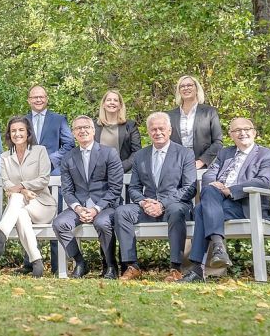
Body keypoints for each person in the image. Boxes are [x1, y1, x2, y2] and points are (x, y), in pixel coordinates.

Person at [179, 118, 270, 283]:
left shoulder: (266, 154)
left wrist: (230, 190)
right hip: (220, 204)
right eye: (237, 130)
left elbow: (263, 181)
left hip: (247, 205)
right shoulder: (225, 153)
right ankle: (218, 247)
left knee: (200, 210)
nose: (242, 133)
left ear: (254, 133)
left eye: (246, 129)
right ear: (231, 135)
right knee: (209, 190)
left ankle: (198, 267)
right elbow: (210, 174)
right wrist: (215, 184)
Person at [114, 112, 197, 282]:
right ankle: (132, 266)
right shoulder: (140, 156)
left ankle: (175, 268)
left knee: (176, 211)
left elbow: (190, 188)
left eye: (161, 129)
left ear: (169, 130)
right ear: (148, 132)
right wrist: (143, 202)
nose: (157, 132)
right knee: (122, 212)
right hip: (148, 206)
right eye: (153, 129)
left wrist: (162, 204)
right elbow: (135, 188)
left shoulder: (185, 154)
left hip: (175, 206)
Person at [0, 116, 57, 278]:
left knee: (16, 199)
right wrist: (22, 193)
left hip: (42, 206)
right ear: (9, 134)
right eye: (13, 131)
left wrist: (22, 186)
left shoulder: (39, 151)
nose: (17, 134)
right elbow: (8, 185)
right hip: (20, 208)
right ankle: (37, 262)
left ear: (28, 132)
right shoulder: (5, 157)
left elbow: (44, 179)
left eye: (21, 130)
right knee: (19, 208)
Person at [53, 115, 123, 279]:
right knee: (59, 223)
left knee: (102, 222)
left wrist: (96, 209)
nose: (82, 130)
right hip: (80, 206)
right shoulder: (68, 157)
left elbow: (115, 188)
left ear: (93, 130)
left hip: (105, 206)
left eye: (86, 127)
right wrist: (78, 208)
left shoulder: (109, 153)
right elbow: (68, 190)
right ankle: (80, 262)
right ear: (73, 133)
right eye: (78, 128)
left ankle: (111, 265)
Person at [24, 85, 73, 274]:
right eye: (34, 97)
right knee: (25, 214)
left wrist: (49, 161)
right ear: (29, 100)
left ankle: (57, 264)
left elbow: (68, 143)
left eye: (41, 97)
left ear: (47, 99)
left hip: (53, 175)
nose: (38, 100)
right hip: (28, 176)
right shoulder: (23, 121)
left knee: (56, 217)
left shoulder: (59, 119)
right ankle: (30, 263)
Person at [168, 75, 223, 169]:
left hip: (202, 166)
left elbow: (218, 142)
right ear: (179, 91)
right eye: (182, 86)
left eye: (189, 85)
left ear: (196, 89)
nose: (186, 88)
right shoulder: (169, 115)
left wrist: (202, 161)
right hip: (175, 165)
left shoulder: (209, 112)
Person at [92, 90, 141, 173]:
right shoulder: (93, 126)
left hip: (123, 173)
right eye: (108, 100)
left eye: (115, 100)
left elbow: (137, 151)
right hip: (97, 174)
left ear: (120, 105)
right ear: (103, 104)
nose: (112, 102)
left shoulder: (130, 126)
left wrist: (120, 167)